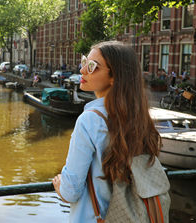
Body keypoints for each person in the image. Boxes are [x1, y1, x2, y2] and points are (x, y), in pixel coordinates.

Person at [52, 41, 164, 222]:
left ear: (114, 77)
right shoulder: (139, 116)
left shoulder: (89, 120)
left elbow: (70, 191)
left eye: (92, 66)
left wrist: (60, 185)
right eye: (84, 62)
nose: (82, 71)